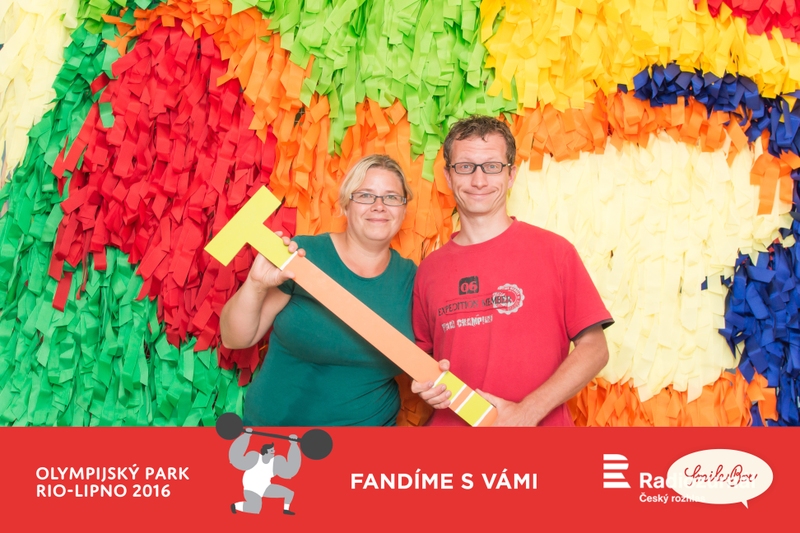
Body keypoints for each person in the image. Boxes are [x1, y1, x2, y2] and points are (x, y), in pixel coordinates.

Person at [411, 116, 613, 426]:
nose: (479, 181)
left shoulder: (555, 252)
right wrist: (425, 385)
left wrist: (526, 412)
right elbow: (424, 360)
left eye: (492, 167)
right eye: (465, 167)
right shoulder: (429, 270)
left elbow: (595, 349)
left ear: (511, 175)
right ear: (448, 177)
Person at [219, 155, 416, 426]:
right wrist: (256, 284)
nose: (379, 206)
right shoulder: (301, 255)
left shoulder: (413, 279)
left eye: (392, 197)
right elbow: (235, 339)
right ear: (345, 205)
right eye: (365, 195)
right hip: (278, 437)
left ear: (404, 209)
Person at [229, 428, 300, 515]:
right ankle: (235, 506)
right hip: (251, 488)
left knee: (289, 493)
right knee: (255, 509)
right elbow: (236, 459)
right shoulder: (255, 458)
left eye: (273, 450)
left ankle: (286, 510)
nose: (274, 452)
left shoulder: (275, 463)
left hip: (265, 487)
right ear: (266, 452)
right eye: (272, 450)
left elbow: (290, 470)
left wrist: (293, 445)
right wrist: (246, 436)